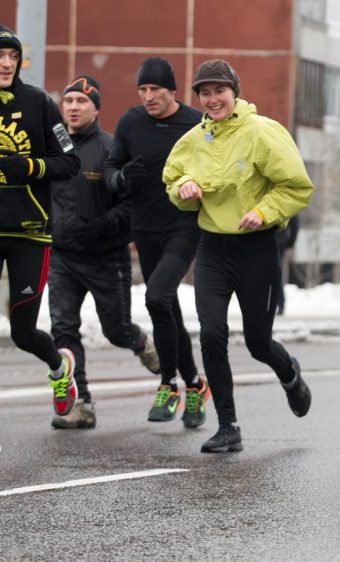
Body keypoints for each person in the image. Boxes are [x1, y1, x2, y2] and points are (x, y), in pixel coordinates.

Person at [165, 59, 314, 453]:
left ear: (235, 92)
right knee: (212, 334)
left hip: (256, 247)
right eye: (205, 93)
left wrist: (263, 211)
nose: (213, 99)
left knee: (258, 342)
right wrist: (184, 187)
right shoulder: (194, 139)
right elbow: (173, 176)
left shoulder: (262, 132)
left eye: (220, 91)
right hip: (213, 247)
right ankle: (228, 425)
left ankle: (289, 375)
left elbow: (296, 186)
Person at [48, 75, 163, 429]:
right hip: (62, 257)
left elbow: (131, 209)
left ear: (96, 109)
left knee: (116, 331)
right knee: (63, 330)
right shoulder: (51, 148)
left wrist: (99, 227)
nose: (73, 107)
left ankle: (143, 343)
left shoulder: (112, 150)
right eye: (68, 101)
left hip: (105, 257)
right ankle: (81, 403)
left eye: (82, 102)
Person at [103, 57, 207, 425]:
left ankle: (169, 384)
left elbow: (216, 163)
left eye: (155, 90)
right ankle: (194, 384)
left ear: (172, 91)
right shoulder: (131, 121)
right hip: (144, 227)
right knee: (167, 309)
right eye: (143, 90)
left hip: (183, 224)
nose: (148, 97)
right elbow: (110, 170)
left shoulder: (195, 123)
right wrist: (120, 178)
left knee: (157, 297)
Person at [0, 25, 81, 417]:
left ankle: (59, 367)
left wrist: (29, 166)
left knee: (22, 333)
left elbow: (70, 162)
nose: (5, 63)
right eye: (0, 56)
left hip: (28, 234)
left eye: (12, 56)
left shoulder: (38, 103)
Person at [275, 215, 300, 315]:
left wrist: (290, 243)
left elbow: (294, 224)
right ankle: (279, 304)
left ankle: (280, 304)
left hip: (278, 244)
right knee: (275, 275)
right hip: (279, 243)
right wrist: (290, 243)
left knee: (275, 275)